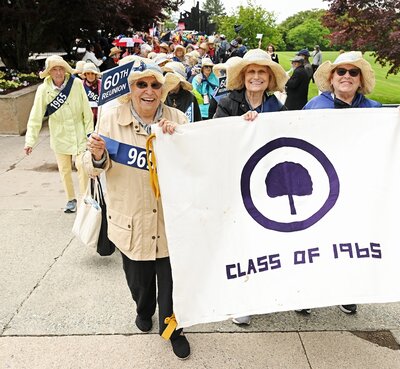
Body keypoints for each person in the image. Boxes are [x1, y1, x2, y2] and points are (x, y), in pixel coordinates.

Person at [84, 59, 191, 359]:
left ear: (163, 90)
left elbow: (195, 164)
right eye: (141, 84)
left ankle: (173, 328)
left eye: (155, 85)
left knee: (171, 285)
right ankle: (144, 310)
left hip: (169, 223)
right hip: (131, 221)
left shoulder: (178, 119)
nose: (148, 90)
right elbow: (89, 167)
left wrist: (177, 141)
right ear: (130, 89)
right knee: (141, 286)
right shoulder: (108, 119)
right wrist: (97, 156)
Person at [301, 51, 400, 316]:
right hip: (321, 183)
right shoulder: (314, 106)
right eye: (341, 71)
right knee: (315, 239)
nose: (347, 77)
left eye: (353, 72)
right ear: (332, 77)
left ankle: (346, 291)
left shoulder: (374, 110)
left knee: (350, 240)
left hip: (356, 187)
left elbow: (393, 139)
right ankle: (306, 290)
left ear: (360, 80)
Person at [213, 49, 288, 324]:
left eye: (262, 72)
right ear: (243, 77)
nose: (256, 77)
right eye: (251, 72)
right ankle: (240, 299)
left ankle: (260, 293)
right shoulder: (226, 104)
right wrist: (239, 127)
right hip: (235, 183)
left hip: (266, 183)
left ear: (269, 78)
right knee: (239, 241)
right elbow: (214, 139)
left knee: (263, 240)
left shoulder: (277, 108)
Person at [24, 55, 93, 213]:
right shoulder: (43, 89)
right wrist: (30, 141)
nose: (58, 72)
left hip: (79, 132)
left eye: (61, 68)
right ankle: (70, 199)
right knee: (64, 169)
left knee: (82, 165)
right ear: (49, 72)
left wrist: (89, 133)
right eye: (54, 69)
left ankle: (84, 199)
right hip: (59, 134)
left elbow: (86, 111)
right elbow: (36, 115)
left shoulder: (75, 84)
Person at [81, 62, 102, 127]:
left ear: (95, 74)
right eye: (88, 73)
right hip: (86, 113)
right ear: (85, 75)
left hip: (99, 113)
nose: (90, 76)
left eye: (92, 73)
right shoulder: (81, 84)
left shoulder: (101, 83)